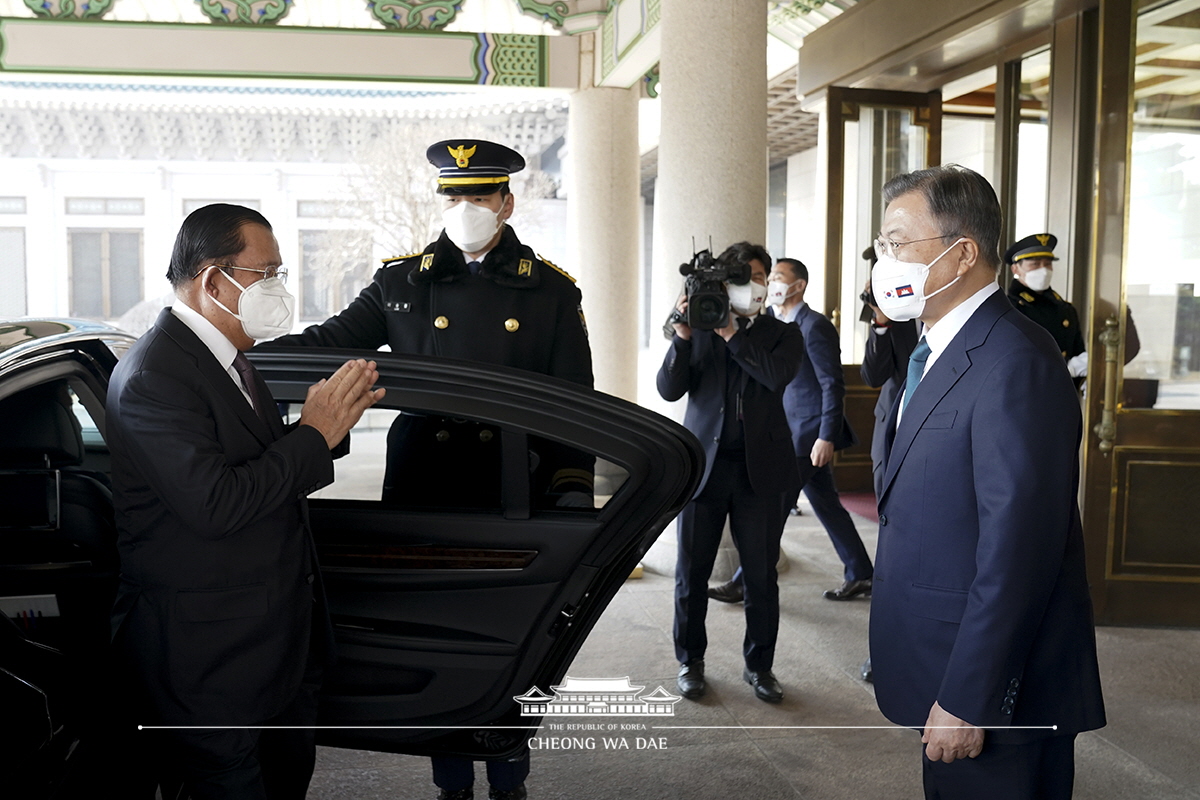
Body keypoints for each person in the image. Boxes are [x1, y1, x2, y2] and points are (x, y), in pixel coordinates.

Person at [270, 139, 592, 800]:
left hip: (511, 490)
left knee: (510, 638)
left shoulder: (551, 291)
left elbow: (576, 408)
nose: (466, 207)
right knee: (432, 630)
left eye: (480, 195)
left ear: (507, 202)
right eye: (455, 195)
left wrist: (569, 500)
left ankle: (509, 777)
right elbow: (331, 342)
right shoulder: (402, 282)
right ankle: (449, 780)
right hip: (424, 484)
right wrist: (240, 356)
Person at [107, 203, 384, 799]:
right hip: (209, 661)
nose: (280, 289)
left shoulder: (226, 356)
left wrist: (322, 433)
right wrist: (313, 436)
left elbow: (249, 462)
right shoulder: (156, 373)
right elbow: (216, 502)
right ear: (213, 280)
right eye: (268, 274)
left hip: (270, 647)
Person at [868, 165, 1106, 799]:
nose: (883, 260)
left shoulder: (1015, 361)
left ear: (962, 253)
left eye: (897, 242)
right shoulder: (934, 349)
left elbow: (1019, 549)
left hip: (995, 696)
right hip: (939, 664)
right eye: (882, 245)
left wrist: (970, 696)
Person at [658, 241, 803, 704]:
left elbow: (775, 377)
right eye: (739, 279)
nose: (751, 286)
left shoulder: (782, 334)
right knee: (691, 572)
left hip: (758, 474)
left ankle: (760, 666)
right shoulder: (698, 328)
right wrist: (682, 335)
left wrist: (731, 335)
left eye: (757, 277)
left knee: (760, 576)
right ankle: (690, 661)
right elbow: (668, 389)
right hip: (704, 469)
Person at [707, 257, 873, 604]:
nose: (772, 284)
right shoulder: (771, 324)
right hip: (789, 432)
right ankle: (861, 572)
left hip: (807, 437)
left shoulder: (814, 326)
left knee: (773, 509)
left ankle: (741, 581)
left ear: (799, 285)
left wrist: (826, 436)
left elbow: (832, 384)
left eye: (778, 277)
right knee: (827, 505)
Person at [1004, 233, 1088, 377]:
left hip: (1063, 393)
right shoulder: (1007, 308)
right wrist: (1064, 366)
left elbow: (1078, 353)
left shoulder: (1066, 309)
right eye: (1035, 264)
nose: (1043, 270)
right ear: (1015, 269)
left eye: (1048, 264)